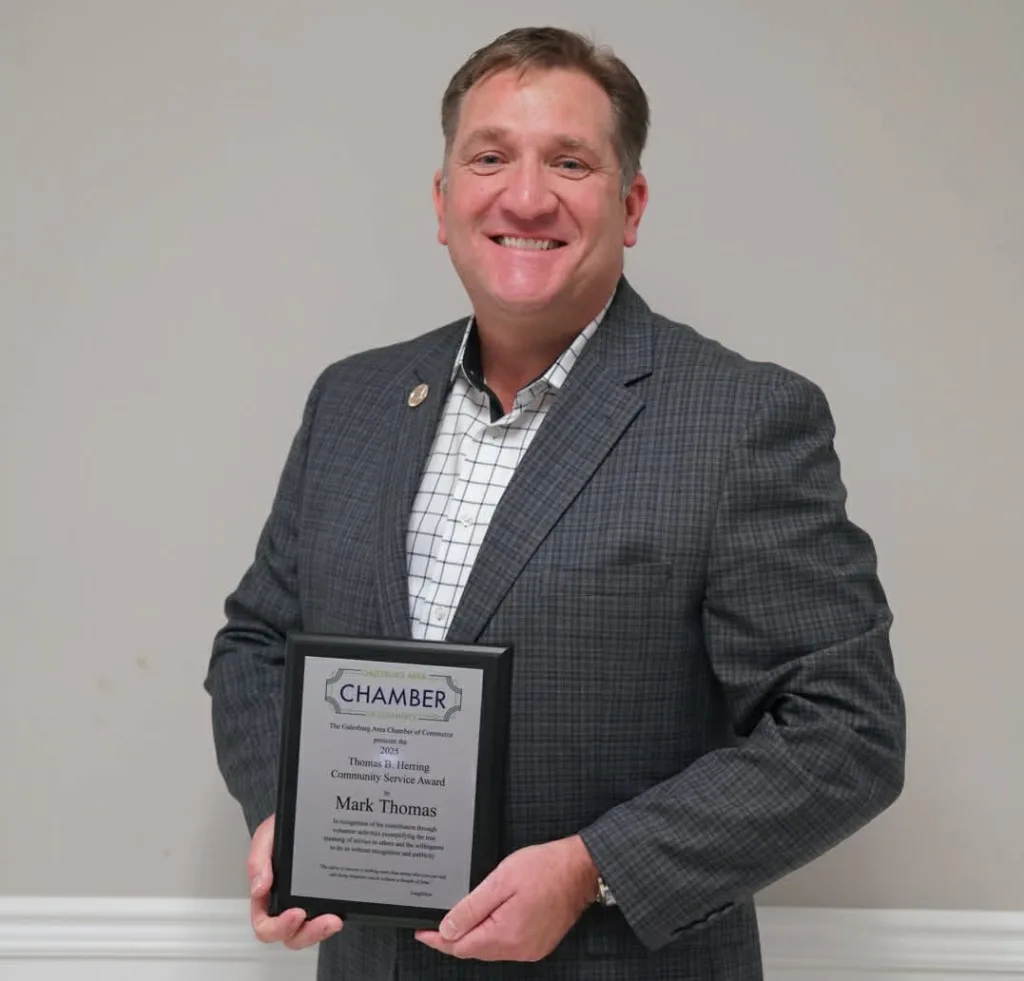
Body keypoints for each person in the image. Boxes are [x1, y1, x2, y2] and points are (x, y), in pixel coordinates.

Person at [204, 25, 906, 981]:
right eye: (489, 157)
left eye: (569, 162)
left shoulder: (742, 418)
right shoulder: (353, 400)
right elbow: (255, 642)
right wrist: (287, 813)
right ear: (444, 200)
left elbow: (845, 731)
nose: (525, 196)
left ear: (632, 201)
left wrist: (593, 869)